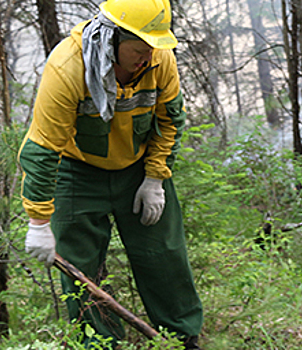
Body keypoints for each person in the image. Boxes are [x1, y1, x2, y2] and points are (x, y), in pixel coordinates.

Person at [18, 0, 202, 348]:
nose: (147, 56)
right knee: (81, 269)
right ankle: (102, 344)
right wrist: (39, 222)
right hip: (77, 170)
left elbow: (169, 120)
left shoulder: (160, 60)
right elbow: (43, 147)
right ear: (111, 39)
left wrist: (155, 177)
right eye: (139, 48)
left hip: (138, 167)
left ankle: (183, 338)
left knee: (164, 254)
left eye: (153, 47)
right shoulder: (68, 66)